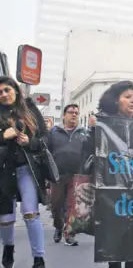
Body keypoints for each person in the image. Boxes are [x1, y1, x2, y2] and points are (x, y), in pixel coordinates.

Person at [85, 81, 133, 268]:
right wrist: (95, 130)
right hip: (111, 188)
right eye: (127, 97)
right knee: (114, 234)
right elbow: (88, 155)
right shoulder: (101, 124)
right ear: (115, 101)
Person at [0, 76, 48, 268]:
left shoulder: (28, 108)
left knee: (30, 213)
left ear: (16, 90)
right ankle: (8, 247)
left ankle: (39, 259)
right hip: (3, 171)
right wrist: (3, 136)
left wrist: (31, 142)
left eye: (6, 90)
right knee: (5, 219)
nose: (3, 95)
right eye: (0, 92)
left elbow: (45, 137)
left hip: (27, 168)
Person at [48, 103, 88, 247]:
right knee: (55, 205)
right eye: (71, 112)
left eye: (76, 113)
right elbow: (46, 153)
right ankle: (58, 226)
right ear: (64, 115)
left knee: (72, 206)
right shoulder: (53, 132)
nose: (74, 115)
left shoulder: (84, 134)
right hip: (57, 175)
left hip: (76, 176)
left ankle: (69, 234)